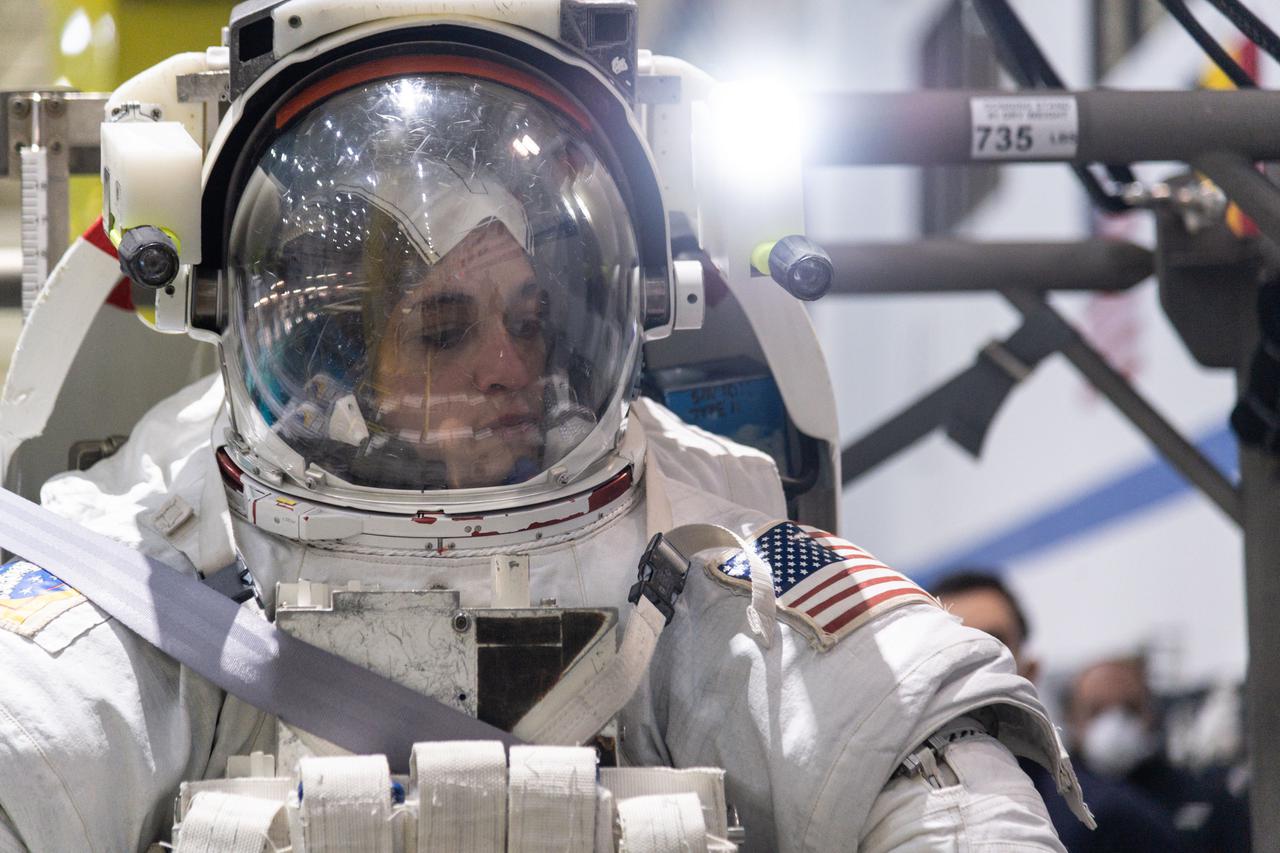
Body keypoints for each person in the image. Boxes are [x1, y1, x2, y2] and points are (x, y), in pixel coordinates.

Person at [0, 5, 1090, 851]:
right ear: (348, 356)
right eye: (441, 329)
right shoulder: (163, 555)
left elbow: (916, 752)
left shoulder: (681, 529)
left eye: (529, 321)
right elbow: (33, 741)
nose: (507, 365)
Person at [933, 570, 1187, 852]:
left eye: (993, 647)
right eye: (952, 649)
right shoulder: (891, 820)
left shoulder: (1109, 822)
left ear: (1029, 673)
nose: (974, 669)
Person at [1067, 657, 1251, 852]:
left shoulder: (1203, 801)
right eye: (1097, 711)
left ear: (1151, 712)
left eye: (1130, 708)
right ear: (1072, 719)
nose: (1115, 722)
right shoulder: (1053, 804)